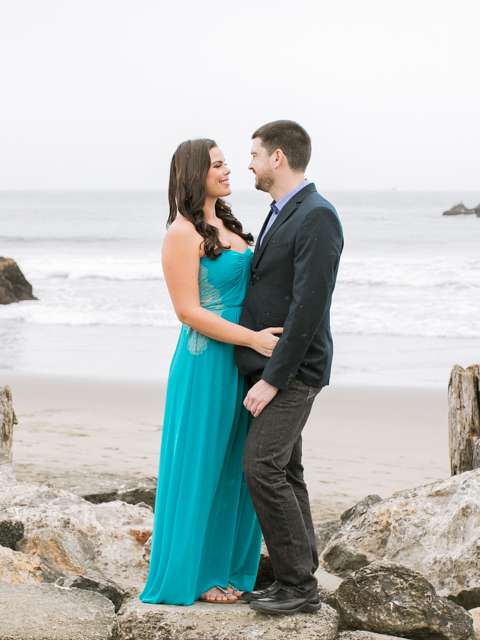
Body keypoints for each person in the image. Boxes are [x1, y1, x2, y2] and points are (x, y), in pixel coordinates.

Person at [139, 139, 283, 605]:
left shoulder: (227, 223)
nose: (228, 171)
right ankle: (197, 574)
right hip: (207, 364)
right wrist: (254, 339)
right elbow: (187, 311)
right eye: (218, 165)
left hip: (245, 362)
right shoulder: (180, 233)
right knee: (202, 466)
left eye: (226, 164)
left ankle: (233, 568)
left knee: (238, 469)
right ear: (194, 172)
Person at [234, 120, 344, 615]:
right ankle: (299, 569)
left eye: (254, 154)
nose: (249, 163)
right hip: (271, 363)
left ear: (278, 157)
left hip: (295, 368)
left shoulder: (317, 215)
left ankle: (298, 587)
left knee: (261, 466)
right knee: (286, 467)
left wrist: (274, 378)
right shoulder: (283, 211)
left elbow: (309, 306)